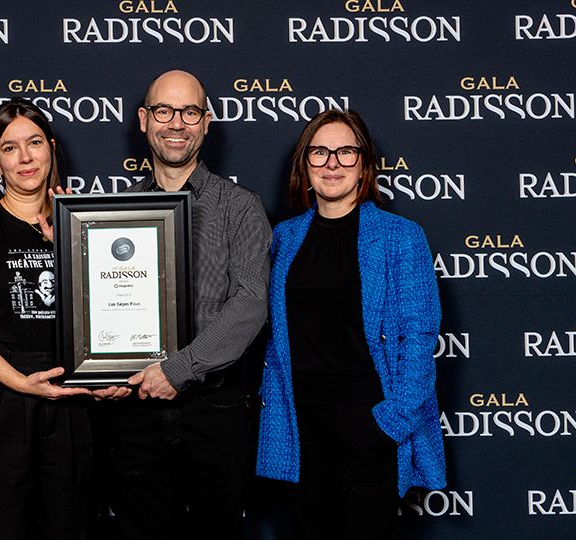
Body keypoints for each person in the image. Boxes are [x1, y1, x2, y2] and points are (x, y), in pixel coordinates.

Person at [256, 109, 446, 539]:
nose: (332, 163)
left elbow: (419, 335)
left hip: (369, 419)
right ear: (304, 164)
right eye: (320, 152)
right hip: (300, 423)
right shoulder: (284, 236)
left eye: (345, 152)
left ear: (364, 165)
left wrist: (390, 422)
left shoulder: (401, 236)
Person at [101, 70, 272, 540]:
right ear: (143, 119)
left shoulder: (239, 207)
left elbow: (251, 303)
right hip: (133, 411)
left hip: (213, 411)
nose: (176, 123)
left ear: (206, 122)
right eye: (163, 111)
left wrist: (178, 369)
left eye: (189, 111)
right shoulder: (113, 216)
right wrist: (100, 370)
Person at [0, 97, 93, 540]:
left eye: (35, 143)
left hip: (69, 406)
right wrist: (22, 382)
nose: (25, 157)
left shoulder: (85, 225)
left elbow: (108, 310)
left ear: (52, 149)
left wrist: (72, 243)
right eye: (10, 148)